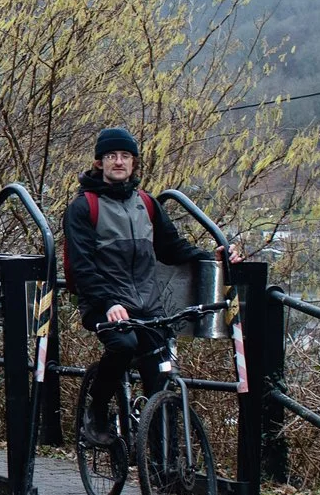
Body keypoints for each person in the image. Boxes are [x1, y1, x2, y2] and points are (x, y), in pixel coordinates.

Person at [62, 126, 222, 446]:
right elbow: (82, 267)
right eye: (111, 156)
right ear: (99, 163)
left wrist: (212, 259)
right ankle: (95, 413)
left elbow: (172, 248)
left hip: (148, 305)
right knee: (123, 346)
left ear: (134, 163)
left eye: (125, 156)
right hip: (102, 303)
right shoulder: (83, 208)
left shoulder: (146, 204)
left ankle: (164, 466)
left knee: (159, 373)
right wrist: (108, 303)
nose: (118, 162)